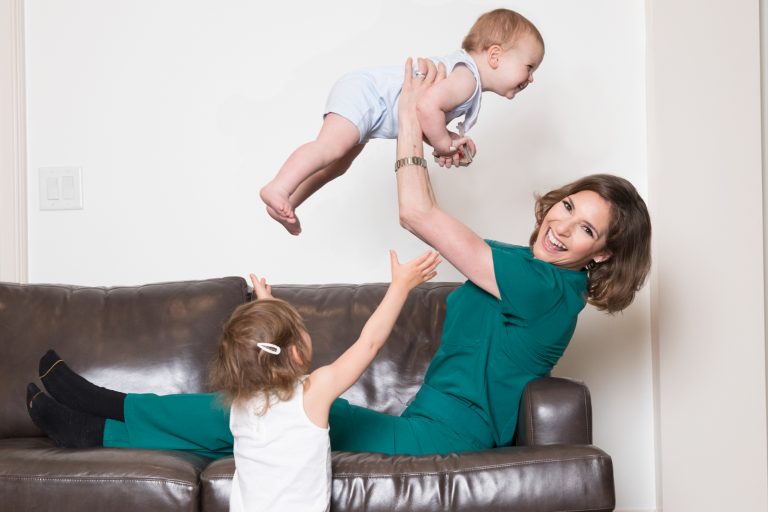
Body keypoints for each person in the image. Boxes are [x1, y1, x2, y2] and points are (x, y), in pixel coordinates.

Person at [25, 57, 651, 460]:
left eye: (586, 227)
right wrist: (442, 138)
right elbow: (437, 219)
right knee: (276, 409)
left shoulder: (545, 286)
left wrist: (412, 116)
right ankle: (100, 416)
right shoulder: (519, 264)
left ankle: (105, 416)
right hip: (426, 422)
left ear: (604, 255)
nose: (562, 225)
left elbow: (418, 215)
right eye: (567, 206)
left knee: (279, 411)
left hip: (442, 439)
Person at [259, 8, 545, 235]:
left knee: (338, 164)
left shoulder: (463, 77)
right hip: (369, 96)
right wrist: (444, 144)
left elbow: (421, 113)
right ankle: (278, 187)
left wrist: (446, 137)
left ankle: (288, 202)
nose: (531, 77)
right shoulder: (467, 79)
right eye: (529, 66)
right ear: (495, 55)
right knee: (329, 149)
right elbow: (425, 104)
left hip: (373, 105)